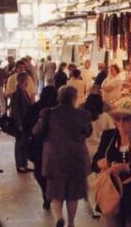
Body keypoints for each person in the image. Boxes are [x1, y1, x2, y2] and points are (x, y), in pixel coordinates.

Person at [32, 86, 92, 227]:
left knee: (55, 191)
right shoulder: (83, 114)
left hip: (55, 158)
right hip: (76, 158)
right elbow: (88, 132)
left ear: (59, 97)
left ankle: (59, 217)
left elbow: (36, 132)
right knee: (73, 193)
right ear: (74, 98)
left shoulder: (48, 113)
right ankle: (71, 223)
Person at [92, 98, 131, 227]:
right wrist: (100, 163)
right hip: (112, 192)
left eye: (126, 119)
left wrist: (127, 167)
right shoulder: (109, 136)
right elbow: (95, 161)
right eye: (118, 119)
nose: (121, 123)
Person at [25, 86, 59, 210]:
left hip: (37, 144)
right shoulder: (59, 110)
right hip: (55, 145)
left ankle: (46, 191)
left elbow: (26, 126)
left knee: (38, 171)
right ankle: (51, 192)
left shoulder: (35, 108)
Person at [83, 93, 116, 219]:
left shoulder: (83, 116)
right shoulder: (105, 117)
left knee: (89, 177)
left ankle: (91, 201)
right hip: (100, 150)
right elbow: (112, 132)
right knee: (99, 179)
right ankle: (98, 204)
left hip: (85, 149)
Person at [10, 72, 34, 173]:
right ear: (24, 81)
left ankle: (24, 163)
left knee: (24, 143)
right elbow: (15, 110)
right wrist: (19, 123)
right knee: (20, 143)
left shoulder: (24, 92)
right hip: (21, 123)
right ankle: (20, 164)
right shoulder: (17, 93)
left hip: (25, 122)